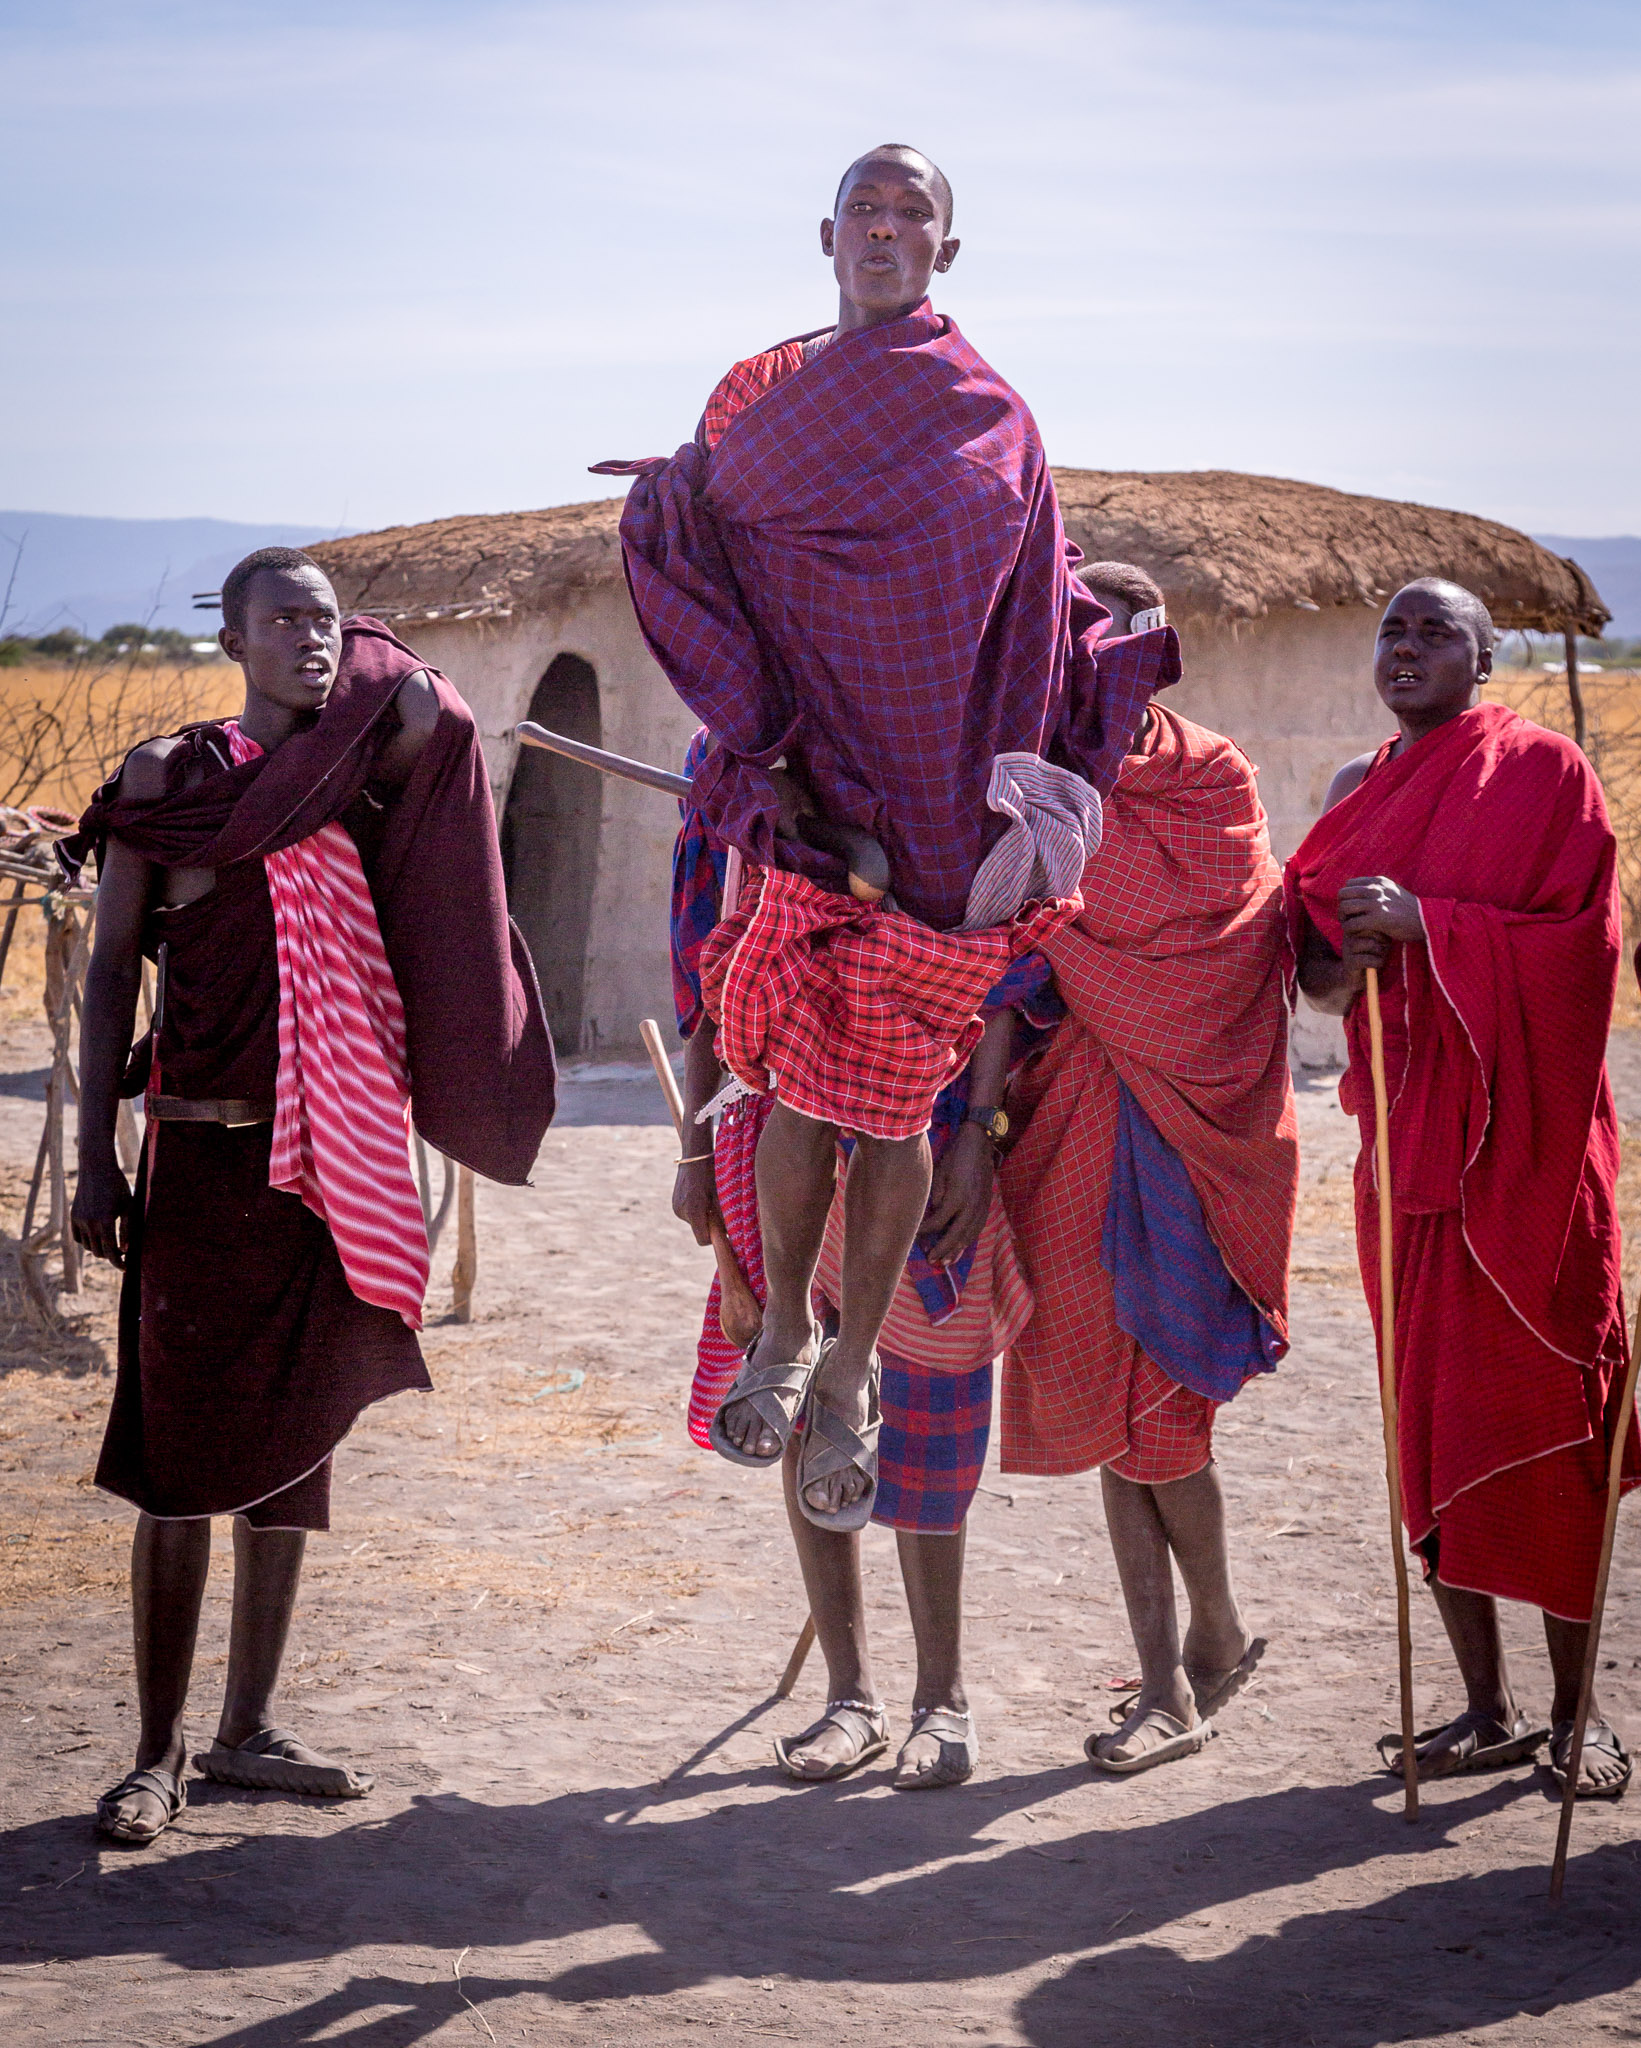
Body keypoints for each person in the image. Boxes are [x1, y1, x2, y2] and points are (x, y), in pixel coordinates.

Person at [597, 145, 1176, 1532]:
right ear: (825, 236)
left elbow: (1027, 610)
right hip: (806, 774)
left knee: (899, 1088)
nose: (887, 228)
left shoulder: (995, 415)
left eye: (914, 212)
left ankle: (851, 1363)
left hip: (934, 791)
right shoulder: (762, 400)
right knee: (801, 1073)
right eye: (866, 208)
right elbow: (700, 549)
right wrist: (761, 745)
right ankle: (790, 1339)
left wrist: (1010, 776)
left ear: (947, 253)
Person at [67, 547, 555, 1845]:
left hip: (324, 1171)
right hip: (200, 1158)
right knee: (175, 1468)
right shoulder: (171, 783)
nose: (312, 640)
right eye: (282, 621)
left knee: (296, 1447)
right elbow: (112, 973)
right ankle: (155, 1752)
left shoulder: (355, 800)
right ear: (230, 639)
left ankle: (247, 1730)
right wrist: (97, 1158)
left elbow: (437, 737)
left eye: (328, 623)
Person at [1288, 577, 1637, 1796]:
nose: (1408, 646)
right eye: (1390, 627)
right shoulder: (1354, 794)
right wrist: (1358, 948)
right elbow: (1321, 987)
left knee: (1551, 1426)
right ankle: (1485, 1707)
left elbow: (1583, 952)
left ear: (1486, 659)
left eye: (1438, 630)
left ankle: (1579, 1712)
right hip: (1413, 1154)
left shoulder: (1544, 775)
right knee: (1430, 1428)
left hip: (1532, 1158)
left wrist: (1433, 921)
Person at [670, 727, 1057, 1785]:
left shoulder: (972, 762)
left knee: (928, 1410)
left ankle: (945, 1697)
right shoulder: (739, 771)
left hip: (926, 1133)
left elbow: (1005, 976)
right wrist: (696, 1152)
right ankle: (851, 1694)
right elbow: (708, 968)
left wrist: (978, 1134)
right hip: (775, 1134)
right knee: (802, 1417)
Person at [999, 562, 1297, 1773]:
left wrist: (1080, 962)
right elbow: (1012, 947)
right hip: (1072, 1114)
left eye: (1108, 644)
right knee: (1114, 1420)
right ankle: (1177, 1668)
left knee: (1168, 1420)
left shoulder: (1211, 775)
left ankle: (1200, 1648)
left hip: (1197, 1131)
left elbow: (1232, 947)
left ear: (1149, 651)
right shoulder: (1036, 786)